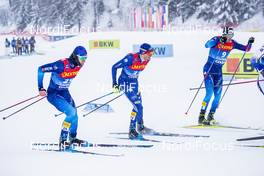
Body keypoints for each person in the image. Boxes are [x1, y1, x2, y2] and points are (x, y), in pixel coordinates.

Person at [198, 26, 254, 125]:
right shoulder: (217, 39)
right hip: (209, 69)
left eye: (231, 35)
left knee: (218, 96)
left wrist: (250, 43)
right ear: (224, 34)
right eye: (228, 35)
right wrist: (220, 42)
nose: (229, 37)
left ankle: (211, 115)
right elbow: (207, 45)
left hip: (218, 71)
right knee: (209, 93)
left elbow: (246, 49)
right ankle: (201, 116)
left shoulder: (232, 43)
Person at [38, 46, 88, 150]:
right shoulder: (60, 65)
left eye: (85, 58)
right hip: (53, 94)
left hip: (64, 92)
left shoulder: (79, 65)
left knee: (75, 114)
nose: (84, 61)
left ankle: (72, 138)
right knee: (71, 113)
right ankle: (63, 140)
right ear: (75, 56)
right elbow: (41, 69)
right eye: (82, 58)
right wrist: (41, 88)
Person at [112, 43, 155, 139]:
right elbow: (114, 67)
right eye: (150, 53)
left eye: (152, 53)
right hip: (124, 82)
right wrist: (114, 84)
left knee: (140, 106)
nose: (151, 56)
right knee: (137, 105)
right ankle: (131, 131)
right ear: (143, 53)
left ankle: (140, 127)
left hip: (134, 82)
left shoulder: (146, 60)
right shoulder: (130, 58)